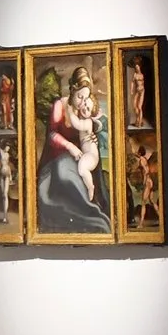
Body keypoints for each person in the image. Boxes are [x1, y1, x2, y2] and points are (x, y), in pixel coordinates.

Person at [37, 67, 111, 234]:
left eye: (86, 97)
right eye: (79, 96)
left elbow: (89, 129)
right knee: (65, 175)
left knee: (77, 178)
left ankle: (90, 213)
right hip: (57, 158)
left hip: (79, 158)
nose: (82, 102)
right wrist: (70, 147)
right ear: (72, 90)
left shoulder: (84, 110)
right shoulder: (60, 105)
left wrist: (92, 139)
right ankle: (79, 215)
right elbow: (52, 135)